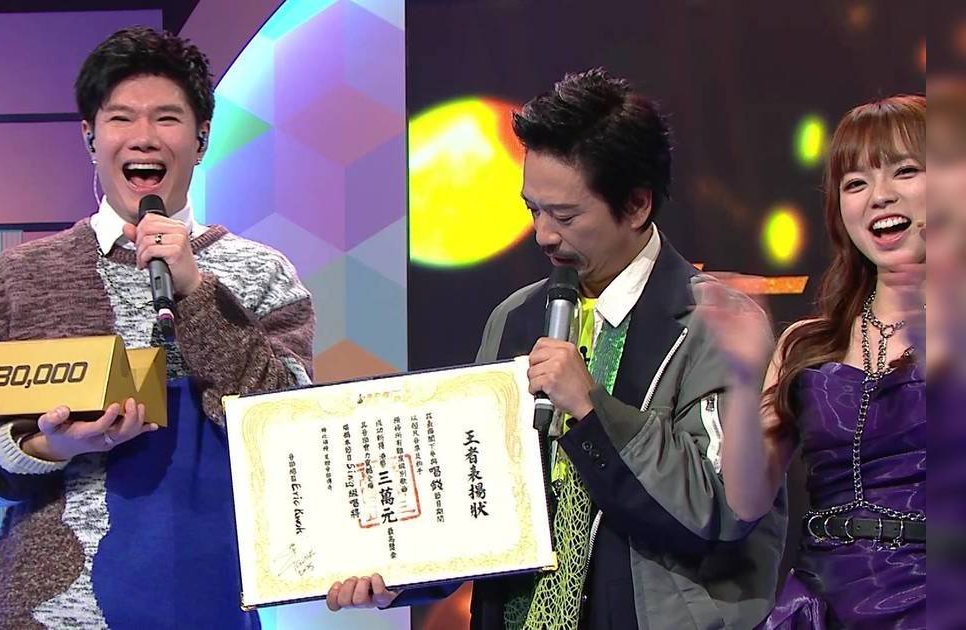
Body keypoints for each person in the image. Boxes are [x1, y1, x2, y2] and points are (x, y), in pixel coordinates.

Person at [328, 69, 786, 629]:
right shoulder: (514, 318)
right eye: (533, 211)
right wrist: (398, 571)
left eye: (565, 216)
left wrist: (593, 408)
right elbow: (475, 499)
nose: (544, 234)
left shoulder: (715, 323)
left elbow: (719, 507)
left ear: (637, 205)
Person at [0, 27, 314, 628]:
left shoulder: (262, 274)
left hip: (208, 607)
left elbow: (289, 431)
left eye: (167, 118)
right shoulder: (19, 279)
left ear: (201, 139)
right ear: (90, 137)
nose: (144, 136)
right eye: (121, 118)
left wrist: (197, 290)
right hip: (43, 615)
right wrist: (47, 447)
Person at [695, 95, 927, 628]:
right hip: (821, 605)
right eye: (856, 183)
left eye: (905, 171)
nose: (880, 196)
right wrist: (742, 375)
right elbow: (746, 501)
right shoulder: (807, 345)